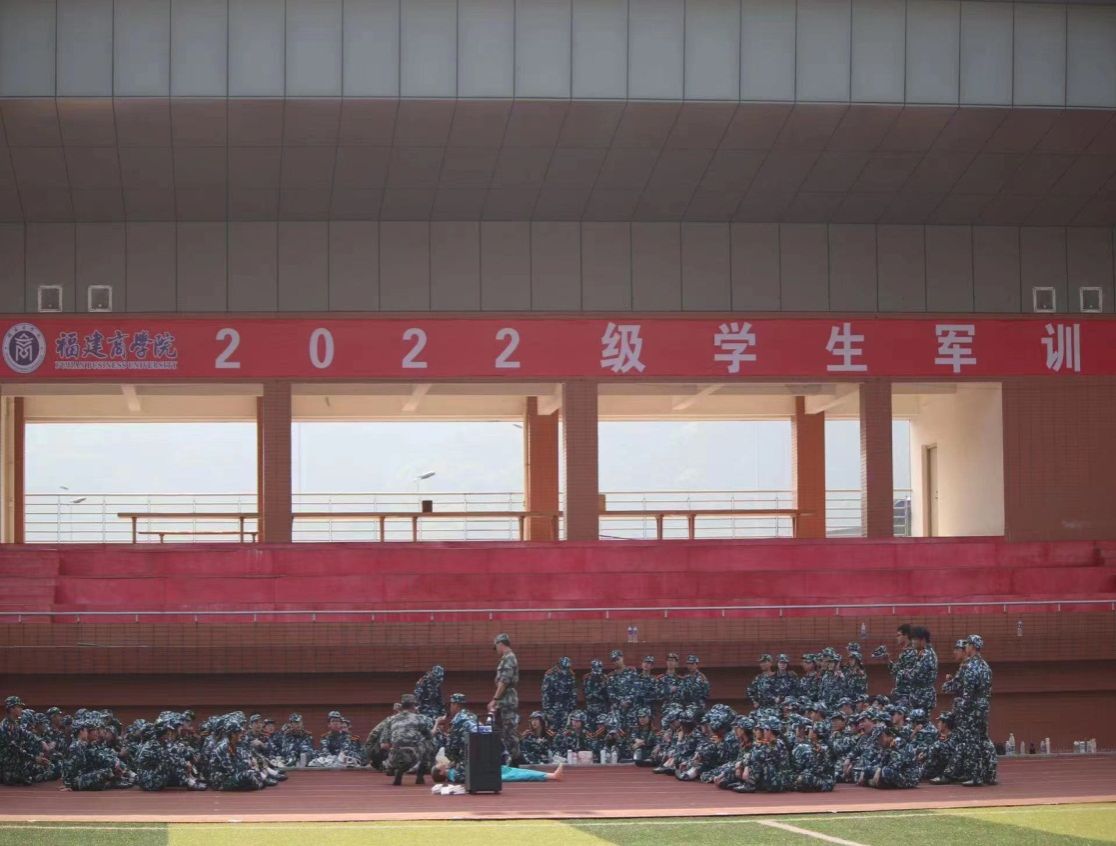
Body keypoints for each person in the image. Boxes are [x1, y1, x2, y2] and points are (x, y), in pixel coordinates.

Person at [385, 694, 434, 786]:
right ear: (413, 706)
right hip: (412, 755)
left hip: (394, 756)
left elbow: (384, 744)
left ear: (402, 705)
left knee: (395, 743)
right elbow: (429, 736)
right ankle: (420, 776)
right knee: (429, 743)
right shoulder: (418, 718)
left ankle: (392, 767)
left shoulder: (391, 719)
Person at [488, 633, 521, 765]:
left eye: (496, 647)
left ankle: (516, 761)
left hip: (507, 700)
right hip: (504, 700)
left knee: (509, 732)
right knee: (500, 731)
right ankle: (504, 759)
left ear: (500, 644)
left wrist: (495, 699)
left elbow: (504, 681)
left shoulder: (509, 658)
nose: (496, 650)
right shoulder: (506, 658)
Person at [541, 657, 577, 731]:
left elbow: (573, 694)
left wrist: (572, 709)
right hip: (552, 709)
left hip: (566, 709)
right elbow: (545, 694)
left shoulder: (570, 675)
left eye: (567, 668)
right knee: (552, 731)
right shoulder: (550, 675)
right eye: (563, 667)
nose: (565, 670)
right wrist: (547, 711)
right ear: (559, 666)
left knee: (565, 731)